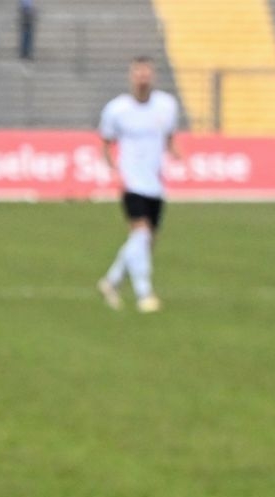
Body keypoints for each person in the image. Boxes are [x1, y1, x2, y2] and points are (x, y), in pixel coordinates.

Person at [96, 57, 181, 314]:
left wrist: (176, 153)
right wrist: (114, 170)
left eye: (146, 73)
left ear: (152, 76)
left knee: (146, 241)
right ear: (131, 76)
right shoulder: (117, 109)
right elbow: (106, 143)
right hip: (131, 181)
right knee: (141, 234)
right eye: (138, 73)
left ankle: (111, 282)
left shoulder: (166, 105)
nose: (142, 77)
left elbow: (169, 138)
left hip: (155, 183)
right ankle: (145, 293)